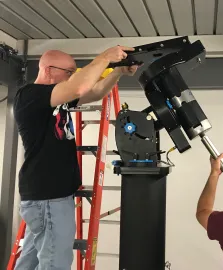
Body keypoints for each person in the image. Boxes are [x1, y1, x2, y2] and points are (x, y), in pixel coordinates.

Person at [13, 46, 140, 269]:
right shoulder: (31, 95)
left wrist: (118, 71)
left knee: (30, 262)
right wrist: (104, 57)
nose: (72, 76)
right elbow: (80, 87)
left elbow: (96, 92)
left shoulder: (55, 98)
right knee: (55, 263)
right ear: (49, 70)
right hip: (48, 199)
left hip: (48, 198)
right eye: (69, 72)